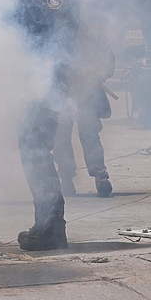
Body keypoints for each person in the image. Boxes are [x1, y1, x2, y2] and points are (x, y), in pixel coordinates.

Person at [8, 0, 79, 251]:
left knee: (36, 148)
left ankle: (51, 227)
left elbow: (52, 26)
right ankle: (48, 224)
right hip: (31, 79)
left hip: (49, 78)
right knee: (31, 147)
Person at [54, 22, 115, 197]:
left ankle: (100, 176)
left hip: (87, 93)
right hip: (61, 92)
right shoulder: (54, 32)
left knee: (90, 134)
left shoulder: (93, 34)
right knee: (61, 136)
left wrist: (96, 75)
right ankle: (66, 177)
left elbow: (109, 60)